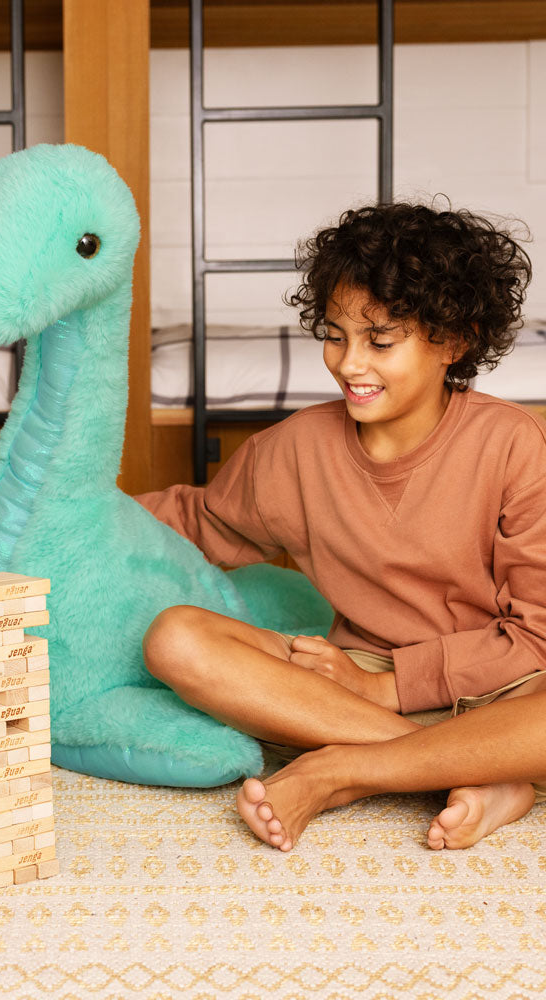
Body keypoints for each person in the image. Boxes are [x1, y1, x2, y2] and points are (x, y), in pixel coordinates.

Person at [137, 202, 546, 852]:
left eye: (380, 341)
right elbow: (197, 519)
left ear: (455, 341)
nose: (350, 364)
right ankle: (472, 772)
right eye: (335, 335)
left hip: (506, 686)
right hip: (347, 688)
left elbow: (537, 636)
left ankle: (341, 771)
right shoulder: (293, 451)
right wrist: (65, 516)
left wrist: (389, 687)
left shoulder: (516, 445)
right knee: (175, 639)